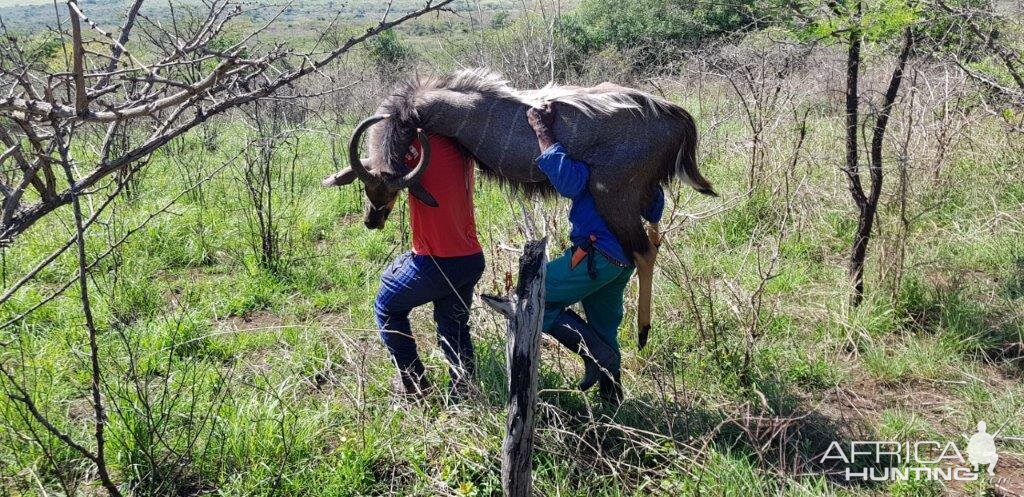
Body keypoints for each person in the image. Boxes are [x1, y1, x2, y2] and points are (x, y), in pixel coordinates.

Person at [526, 103, 665, 404]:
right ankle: (612, 400)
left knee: (535, 297)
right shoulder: (639, 158)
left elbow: (568, 181)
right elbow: (655, 207)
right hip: (624, 258)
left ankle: (595, 355)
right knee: (604, 326)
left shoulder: (602, 153)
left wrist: (541, 129)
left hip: (597, 256)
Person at [374, 134, 485, 402]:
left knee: (387, 305)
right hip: (469, 259)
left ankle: (413, 383)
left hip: (436, 261)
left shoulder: (415, 143)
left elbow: (382, 168)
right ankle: (464, 392)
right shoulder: (460, 142)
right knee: (454, 325)